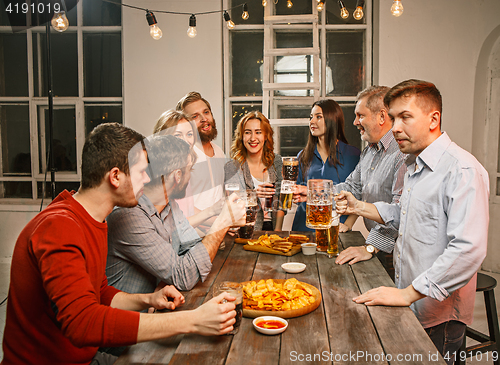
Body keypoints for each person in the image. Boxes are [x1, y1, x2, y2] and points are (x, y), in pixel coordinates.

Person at [2, 123, 237, 365]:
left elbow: (100, 293)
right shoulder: (59, 227)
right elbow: (82, 323)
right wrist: (194, 320)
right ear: (115, 176)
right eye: (142, 172)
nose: (148, 178)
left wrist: (147, 299)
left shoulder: (94, 219)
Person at [335, 79, 489, 364]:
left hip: (437, 312)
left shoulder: (462, 169)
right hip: (410, 298)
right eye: (393, 118)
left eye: (405, 117)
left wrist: (407, 294)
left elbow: (468, 250)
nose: (395, 127)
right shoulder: (413, 165)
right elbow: (400, 213)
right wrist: (359, 206)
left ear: (434, 119)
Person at [106, 134, 245, 294]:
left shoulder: (169, 205)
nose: (190, 177)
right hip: (134, 316)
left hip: (158, 308)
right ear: (177, 176)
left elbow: (190, 247)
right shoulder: (129, 215)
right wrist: (223, 223)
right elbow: (185, 275)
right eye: (189, 170)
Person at [295, 86, 406, 279]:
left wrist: (370, 247)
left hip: (393, 250)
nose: (355, 122)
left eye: (360, 115)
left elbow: (400, 211)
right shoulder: (370, 152)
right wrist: (311, 193)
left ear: (381, 116)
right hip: (376, 245)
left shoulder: (401, 153)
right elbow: (352, 187)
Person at [292, 99, 360, 232]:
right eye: (311, 117)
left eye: (318, 117)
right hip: (304, 228)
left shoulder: (353, 155)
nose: (312, 122)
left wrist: (348, 225)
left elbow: (360, 195)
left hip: (336, 229)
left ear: (332, 119)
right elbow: (297, 194)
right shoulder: (302, 156)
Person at [152, 109, 224, 229]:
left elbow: (187, 209)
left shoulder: (183, 167)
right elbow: (173, 226)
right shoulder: (160, 173)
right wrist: (217, 219)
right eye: (178, 135)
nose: (185, 140)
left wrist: (221, 222)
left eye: (189, 134)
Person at [224, 111, 285, 231]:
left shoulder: (276, 161)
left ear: (266, 136)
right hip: (245, 230)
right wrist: (253, 195)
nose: (253, 138)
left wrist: (277, 232)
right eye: (247, 132)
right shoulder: (232, 167)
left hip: (271, 228)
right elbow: (232, 205)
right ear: (241, 136)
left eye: (258, 132)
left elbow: (281, 202)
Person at [176, 91, 226, 237]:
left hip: (217, 233)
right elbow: (181, 205)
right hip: (192, 236)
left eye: (206, 112)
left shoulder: (219, 152)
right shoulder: (184, 155)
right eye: (195, 116)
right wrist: (221, 221)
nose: (204, 119)